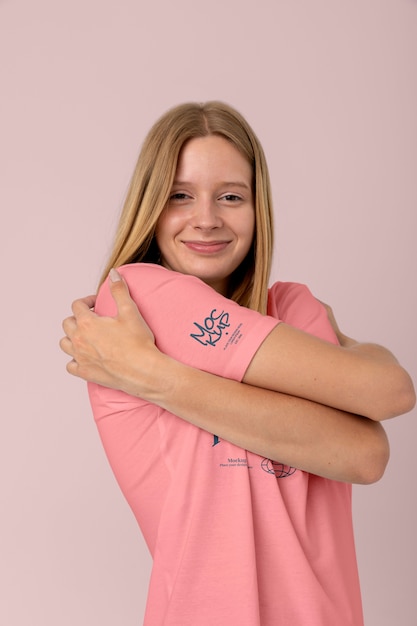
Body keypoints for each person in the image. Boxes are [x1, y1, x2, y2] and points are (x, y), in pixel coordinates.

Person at [60, 101, 415, 626]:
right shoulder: (132, 299)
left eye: (231, 196)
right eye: (180, 196)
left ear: (257, 209)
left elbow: (382, 414)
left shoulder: (292, 305)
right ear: (151, 206)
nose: (207, 219)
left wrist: (162, 378)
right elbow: (364, 444)